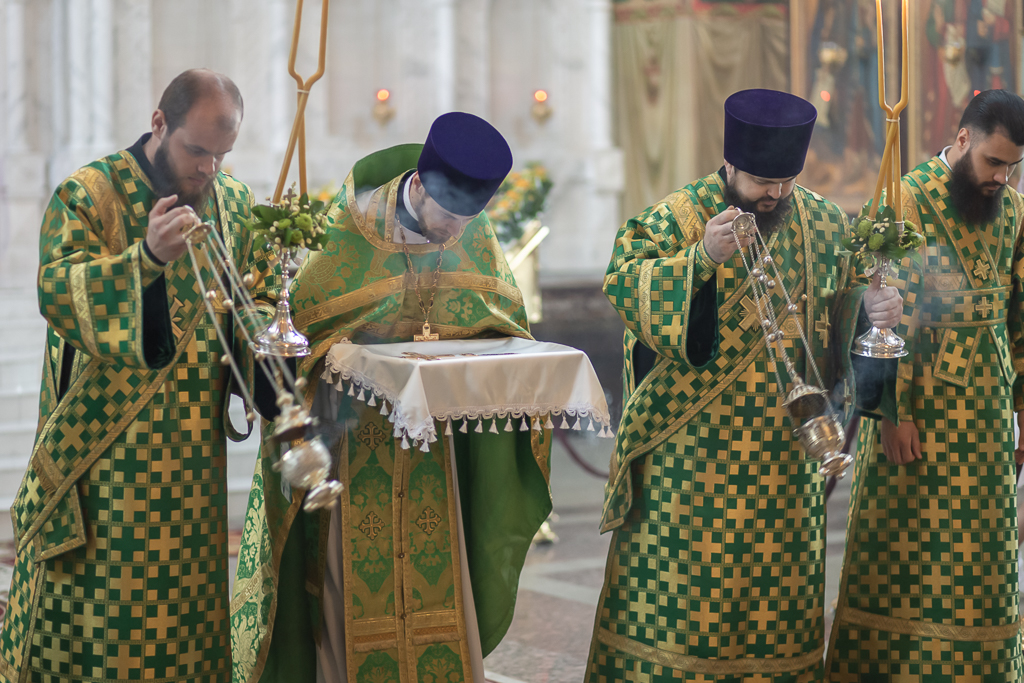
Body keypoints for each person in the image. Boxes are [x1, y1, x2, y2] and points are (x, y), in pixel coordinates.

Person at [586, 88, 903, 681]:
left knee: (776, 606)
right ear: (730, 164)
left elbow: (845, 300)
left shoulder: (824, 221)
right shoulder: (679, 217)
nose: (775, 193)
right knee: (682, 607)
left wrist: (871, 310)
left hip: (786, 459)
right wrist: (700, 259)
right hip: (691, 459)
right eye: (761, 180)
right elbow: (624, 280)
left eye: (786, 180)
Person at [230, 112, 554, 683]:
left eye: (467, 221)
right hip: (353, 445)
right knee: (353, 585)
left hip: (434, 452)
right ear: (421, 185)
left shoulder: (469, 227)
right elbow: (304, 331)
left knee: (438, 577)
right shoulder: (350, 227)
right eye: (448, 218)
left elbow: (502, 317)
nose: (454, 234)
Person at [0, 69, 279, 683]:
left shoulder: (233, 203)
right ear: (159, 124)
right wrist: (146, 259)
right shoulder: (89, 195)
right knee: (105, 616)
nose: (208, 169)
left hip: (192, 465)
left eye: (222, 154)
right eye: (197, 150)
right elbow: (59, 290)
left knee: (186, 615)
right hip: (106, 461)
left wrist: (268, 348)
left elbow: (246, 299)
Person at [826, 89, 1024, 681]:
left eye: (1013, 166)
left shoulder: (1014, 209)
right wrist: (892, 412)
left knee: (983, 556)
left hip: (988, 410)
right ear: (963, 139)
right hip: (920, 408)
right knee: (906, 551)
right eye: (993, 161)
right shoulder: (902, 200)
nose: (1001, 177)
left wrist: (1022, 411)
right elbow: (872, 311)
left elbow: (1020, 316)